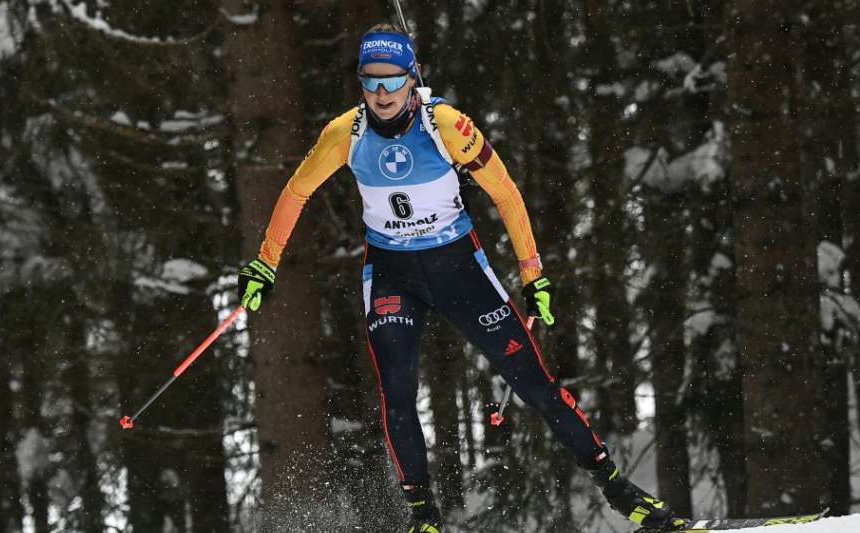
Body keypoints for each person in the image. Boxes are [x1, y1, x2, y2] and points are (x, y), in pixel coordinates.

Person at [237, 23, 681, 533]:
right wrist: (266, 263)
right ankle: (424, 519)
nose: (381, 94)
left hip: (458, 268)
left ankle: (621, 491)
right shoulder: (345, 134)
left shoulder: (445, 125)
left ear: (412, 78)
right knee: (398, 391)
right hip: (392, 274)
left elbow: (506, 192)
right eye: (370, 81)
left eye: (393, 80)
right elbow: (296, 192)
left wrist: (533, 274)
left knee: (533, 382)